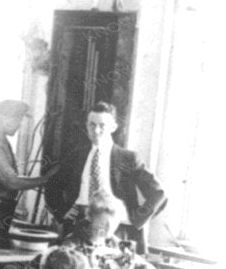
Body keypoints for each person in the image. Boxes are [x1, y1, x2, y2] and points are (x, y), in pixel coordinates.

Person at [45, 101, 166, 252]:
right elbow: (52, 185)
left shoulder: (128, 159)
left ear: (113, 127)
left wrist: (136, 219)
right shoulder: (76, 155)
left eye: (102, 125)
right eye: (92, 125)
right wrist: (62, 212)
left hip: (114, 228)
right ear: (86, 125)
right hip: (79, 225)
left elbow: (158, 193)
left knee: (107, 263)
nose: (96, 131)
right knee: (76, 264)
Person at [0, 99, 49, 239]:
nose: (19, 125)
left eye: (20, 119)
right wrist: (46, 180)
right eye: (16, 119)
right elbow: (12, 182)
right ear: (2, 116)